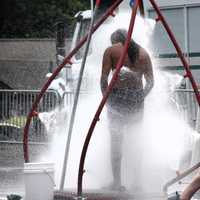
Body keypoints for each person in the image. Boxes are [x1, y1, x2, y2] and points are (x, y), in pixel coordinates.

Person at [100, 29, 154, 191]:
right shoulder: (144, 54)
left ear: (115, 39)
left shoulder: (111, 51)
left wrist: (106, 98)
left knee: (116, 141)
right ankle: (137, 182)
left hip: (117, 97)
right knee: (135, 140)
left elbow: (103, 78)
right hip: (136, 99)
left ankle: (117, 182)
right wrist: (140, 97)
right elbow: (151, 82)